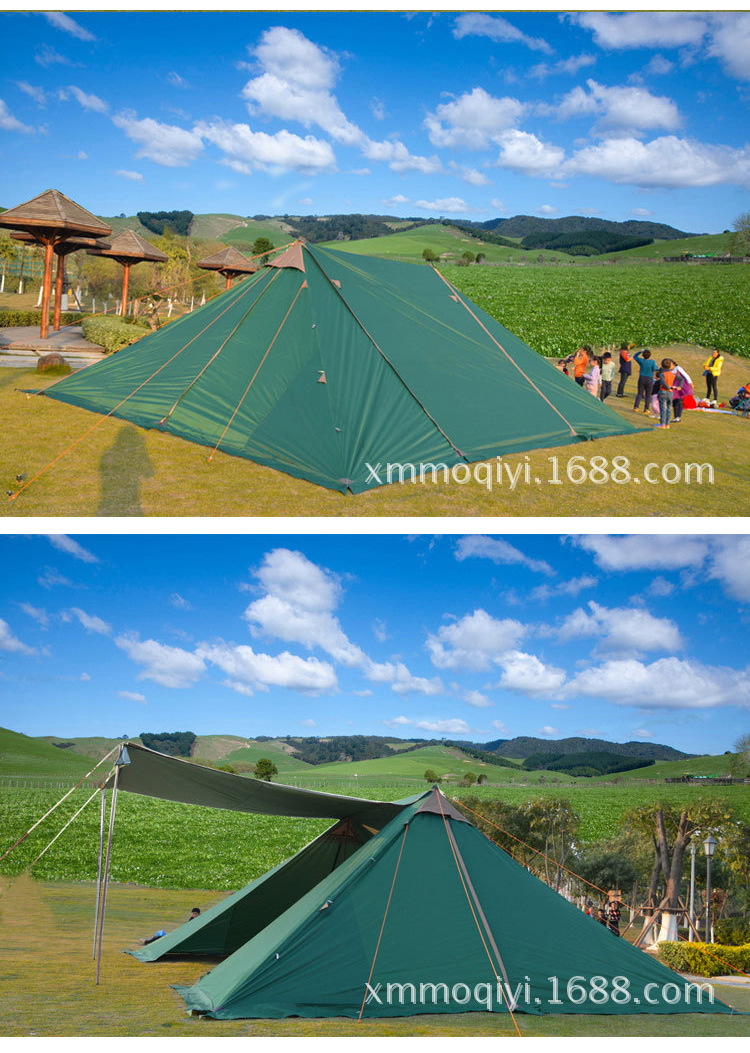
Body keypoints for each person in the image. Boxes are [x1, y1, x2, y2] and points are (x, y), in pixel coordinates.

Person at [654, 358, 675, 429]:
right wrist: (677, 387)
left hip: (663, 391)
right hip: (671, 393)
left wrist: (667, 387)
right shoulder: (672, 374)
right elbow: (681, 379)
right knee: (669, 408)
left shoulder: (662, 374)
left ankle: (662, 424)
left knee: (663, 408)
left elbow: (662, 382)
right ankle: (667, 424)